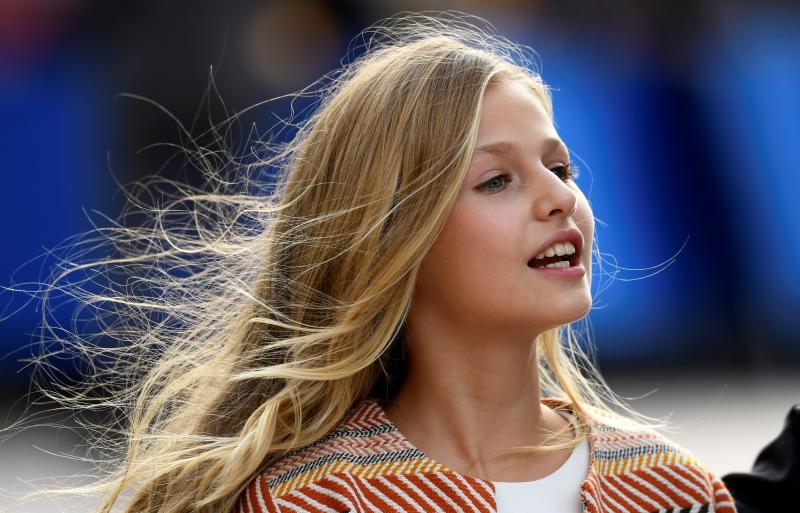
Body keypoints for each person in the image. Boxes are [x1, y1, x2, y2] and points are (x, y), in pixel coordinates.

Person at [16, 13, 736, 513]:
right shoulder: (314, 497)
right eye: (496, 180)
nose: (559, 198)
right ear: (396, 236)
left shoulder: (669, 484)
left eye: (561, 166)